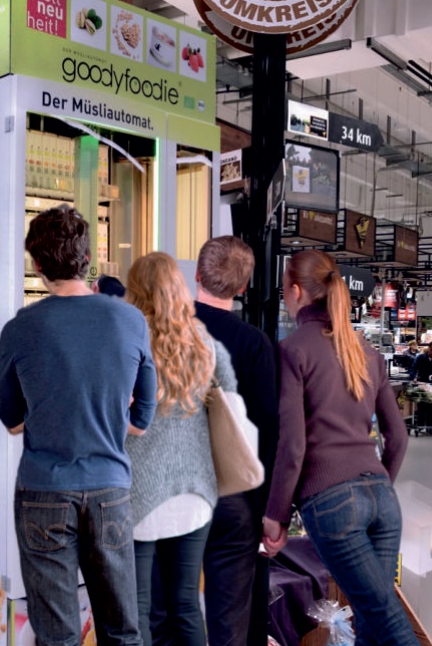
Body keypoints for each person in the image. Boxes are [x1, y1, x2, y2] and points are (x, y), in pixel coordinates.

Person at [0, 204, 157, 646]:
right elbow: (142, 419)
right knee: (122, 631)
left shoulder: (20, 328)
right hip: (110, 490)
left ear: (38, 264)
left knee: (57, 635)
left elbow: (10, 420)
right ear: (88, 259)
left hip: (43, 491)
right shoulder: (130, 320)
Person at [262, 250, 415, 646]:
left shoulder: (293, 350)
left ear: (295, 292)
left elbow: (293, 446)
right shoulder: (366, 351)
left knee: (389, 623)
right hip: (383, 499)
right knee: (370, 621)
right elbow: (397, 437)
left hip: (332, 502)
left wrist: (276, 514)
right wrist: (378, 485)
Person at [124, 252, 237, 646]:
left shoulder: (127, 340)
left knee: (136, 609)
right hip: (195, 493)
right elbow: (230, 402)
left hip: (139, 495)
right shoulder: (203, 341)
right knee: (185, 604)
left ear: (136, 291)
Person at [193, 236, 279, 646]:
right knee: (229, 624)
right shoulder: (254, 344)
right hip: (233, 500)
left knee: (166, 612)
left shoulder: (161, 332)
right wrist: (267, 512)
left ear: (196, 275)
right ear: (243, 288)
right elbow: (267, 431)